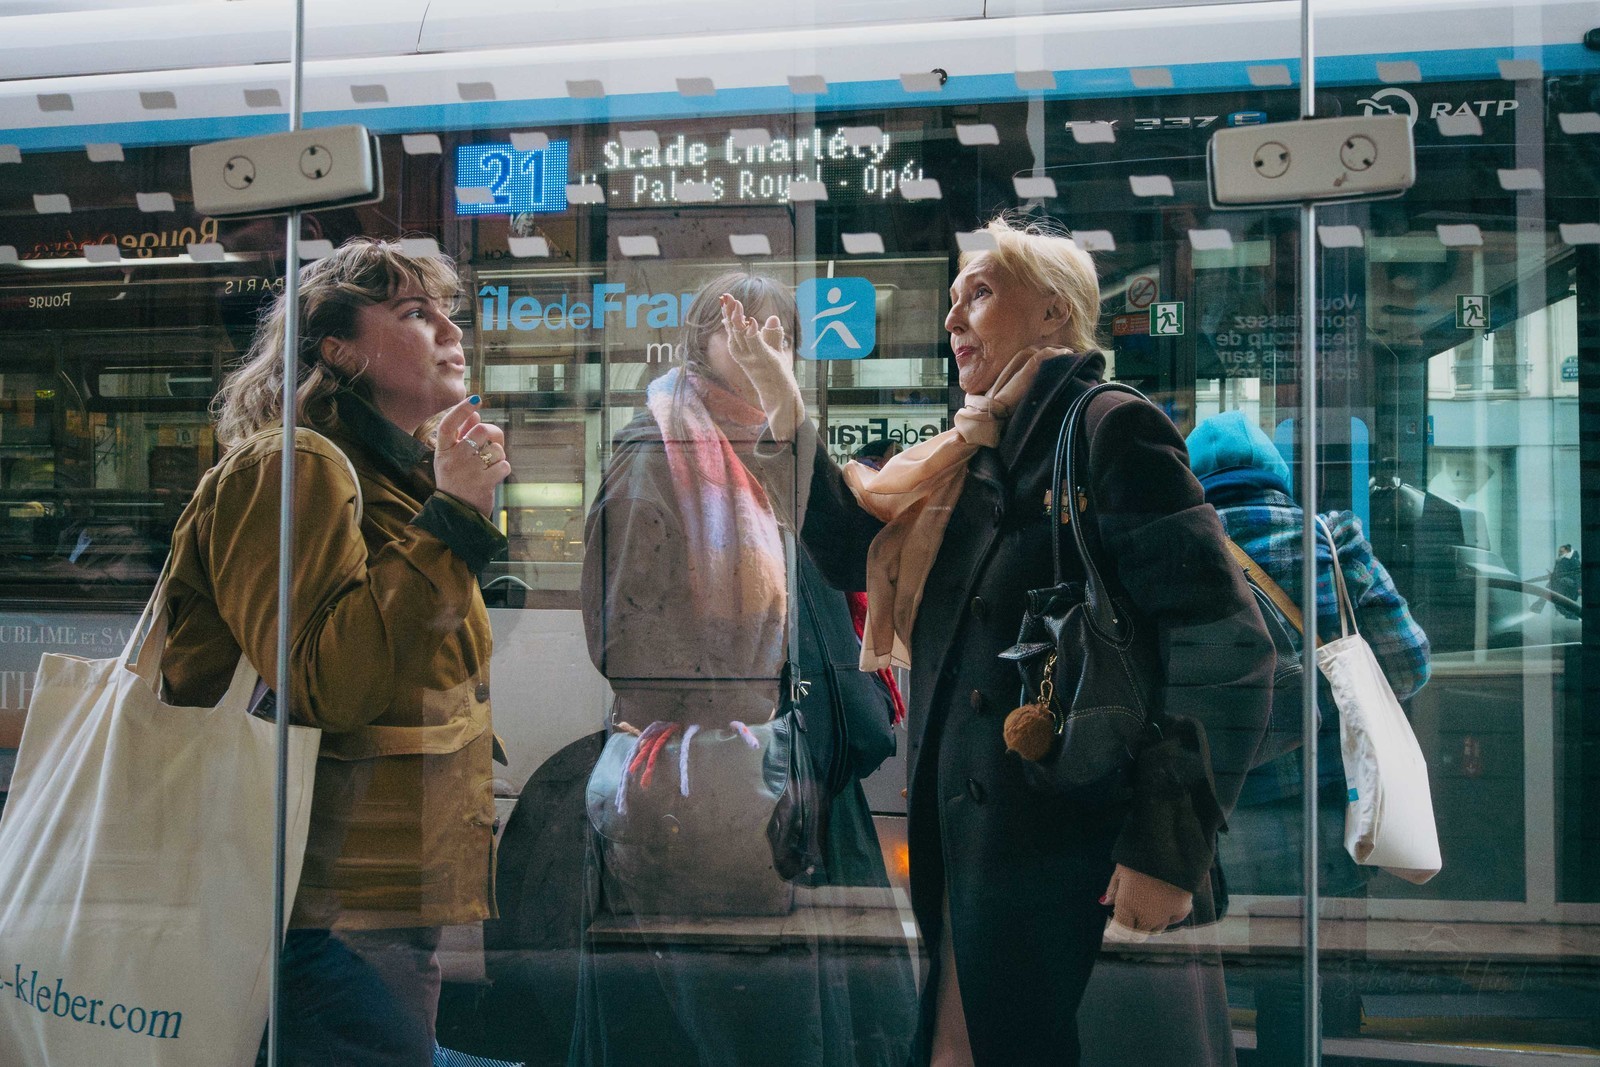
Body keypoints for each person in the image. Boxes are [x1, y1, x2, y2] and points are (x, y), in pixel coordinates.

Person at [728, 215, 1275, 1065]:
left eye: (978, 293)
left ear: (1054, 311)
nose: (951, 321)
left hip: (1070, 852)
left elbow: (1226, 646)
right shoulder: (973, 451)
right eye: (952, 300)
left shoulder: (1105, 430)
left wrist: (1164, 848)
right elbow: (848, 549)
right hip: (982, 853)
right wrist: (785, 409)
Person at [160, 238, 512, 1065]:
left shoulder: (395, 477)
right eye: (414, 314)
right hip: (323, 902)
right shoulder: (295, 464)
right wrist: (458, 514)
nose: (449, 333)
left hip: (380, 894)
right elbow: (325, 681)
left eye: (448, 315)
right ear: (339, 348)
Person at [575, 272, 915, 1067]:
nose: (771, 346)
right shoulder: (657, 450)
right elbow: (624, 636)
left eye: (784, 335)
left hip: (784, 769)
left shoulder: (775, 450)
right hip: (704, 783)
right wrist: (731, 710)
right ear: (703, 340)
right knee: (726, 1014)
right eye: (748, 328)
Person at [1185, 410, 1430, 1059]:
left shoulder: (1175, 549)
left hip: (1214, 824)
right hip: (1330, 822)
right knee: (1309, 983)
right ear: (1275, 476)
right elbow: (1408, 662)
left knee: (1200, 987)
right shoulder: (1330, 539)